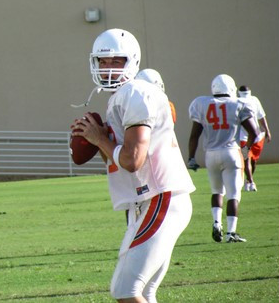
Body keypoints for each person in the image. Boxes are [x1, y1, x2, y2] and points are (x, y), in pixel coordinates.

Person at [71, 28, 195, 303]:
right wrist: (98, 139)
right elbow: (116, 160)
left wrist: (99, 137)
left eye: (117, 61)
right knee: (143, 291)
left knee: (125, 290)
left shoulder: (136, 93)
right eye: (103, 62)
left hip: (160, 197)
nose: (108, 68)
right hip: (147, 201)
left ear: (132, 62)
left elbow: (131, 160)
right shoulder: (120, 98)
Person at [188, 74, 259, 244]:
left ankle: (216, 222)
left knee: (217, 191)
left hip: (210, 154)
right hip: (231, 152)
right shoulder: (239, 104)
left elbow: (194, 136)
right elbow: (254, 132)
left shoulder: (202, 104)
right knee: (233, 195)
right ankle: (230, 233)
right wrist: (246, 148)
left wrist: (191, 157)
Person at [237, 85, 272, 191]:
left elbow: (261, 115)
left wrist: (267, 130)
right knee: (246, 158)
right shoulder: (236, 102)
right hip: (243, 136)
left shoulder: (254, 100)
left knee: (253, 161)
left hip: (256, 136)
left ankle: (248, 180)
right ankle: (251, 182)